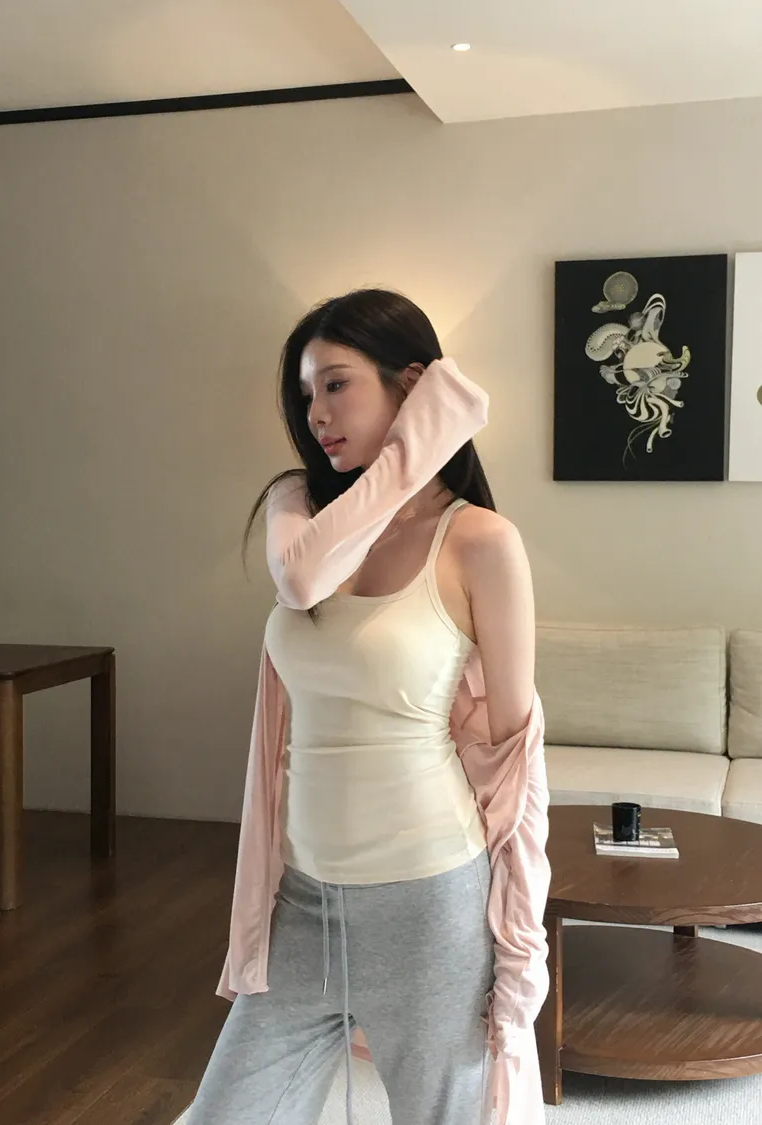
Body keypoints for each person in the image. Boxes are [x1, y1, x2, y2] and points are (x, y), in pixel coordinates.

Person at [187, 289, 551, 1125]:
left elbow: (514, 761)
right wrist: (418, 442)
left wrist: (517, 943)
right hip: (304, 900)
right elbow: (299, 581)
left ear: (411, 384)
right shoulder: (299, 515)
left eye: (336, 384)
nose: (315, 413)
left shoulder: (480, 542)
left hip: (427, 903)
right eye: (305, 392)